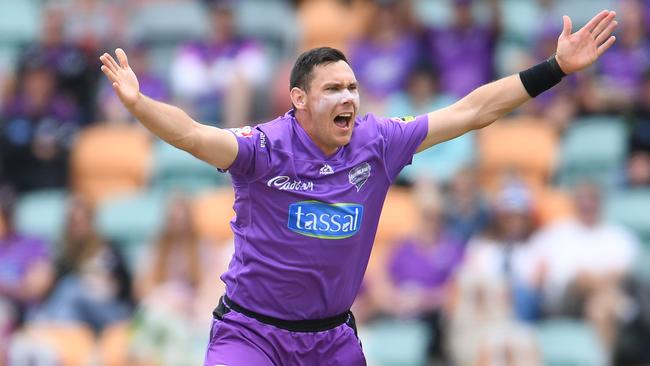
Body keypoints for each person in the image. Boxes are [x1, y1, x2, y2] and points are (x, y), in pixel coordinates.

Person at [99, 9, 618, 365]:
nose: (348, 96)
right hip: (251, 334)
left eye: (352, 86)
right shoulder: (262, 149)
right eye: (333, 89)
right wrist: (139, 104)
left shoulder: (379, 143)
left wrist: (556, 68)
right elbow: (192, 134)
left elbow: (473, 110)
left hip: (331, 341)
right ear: (299, 99)